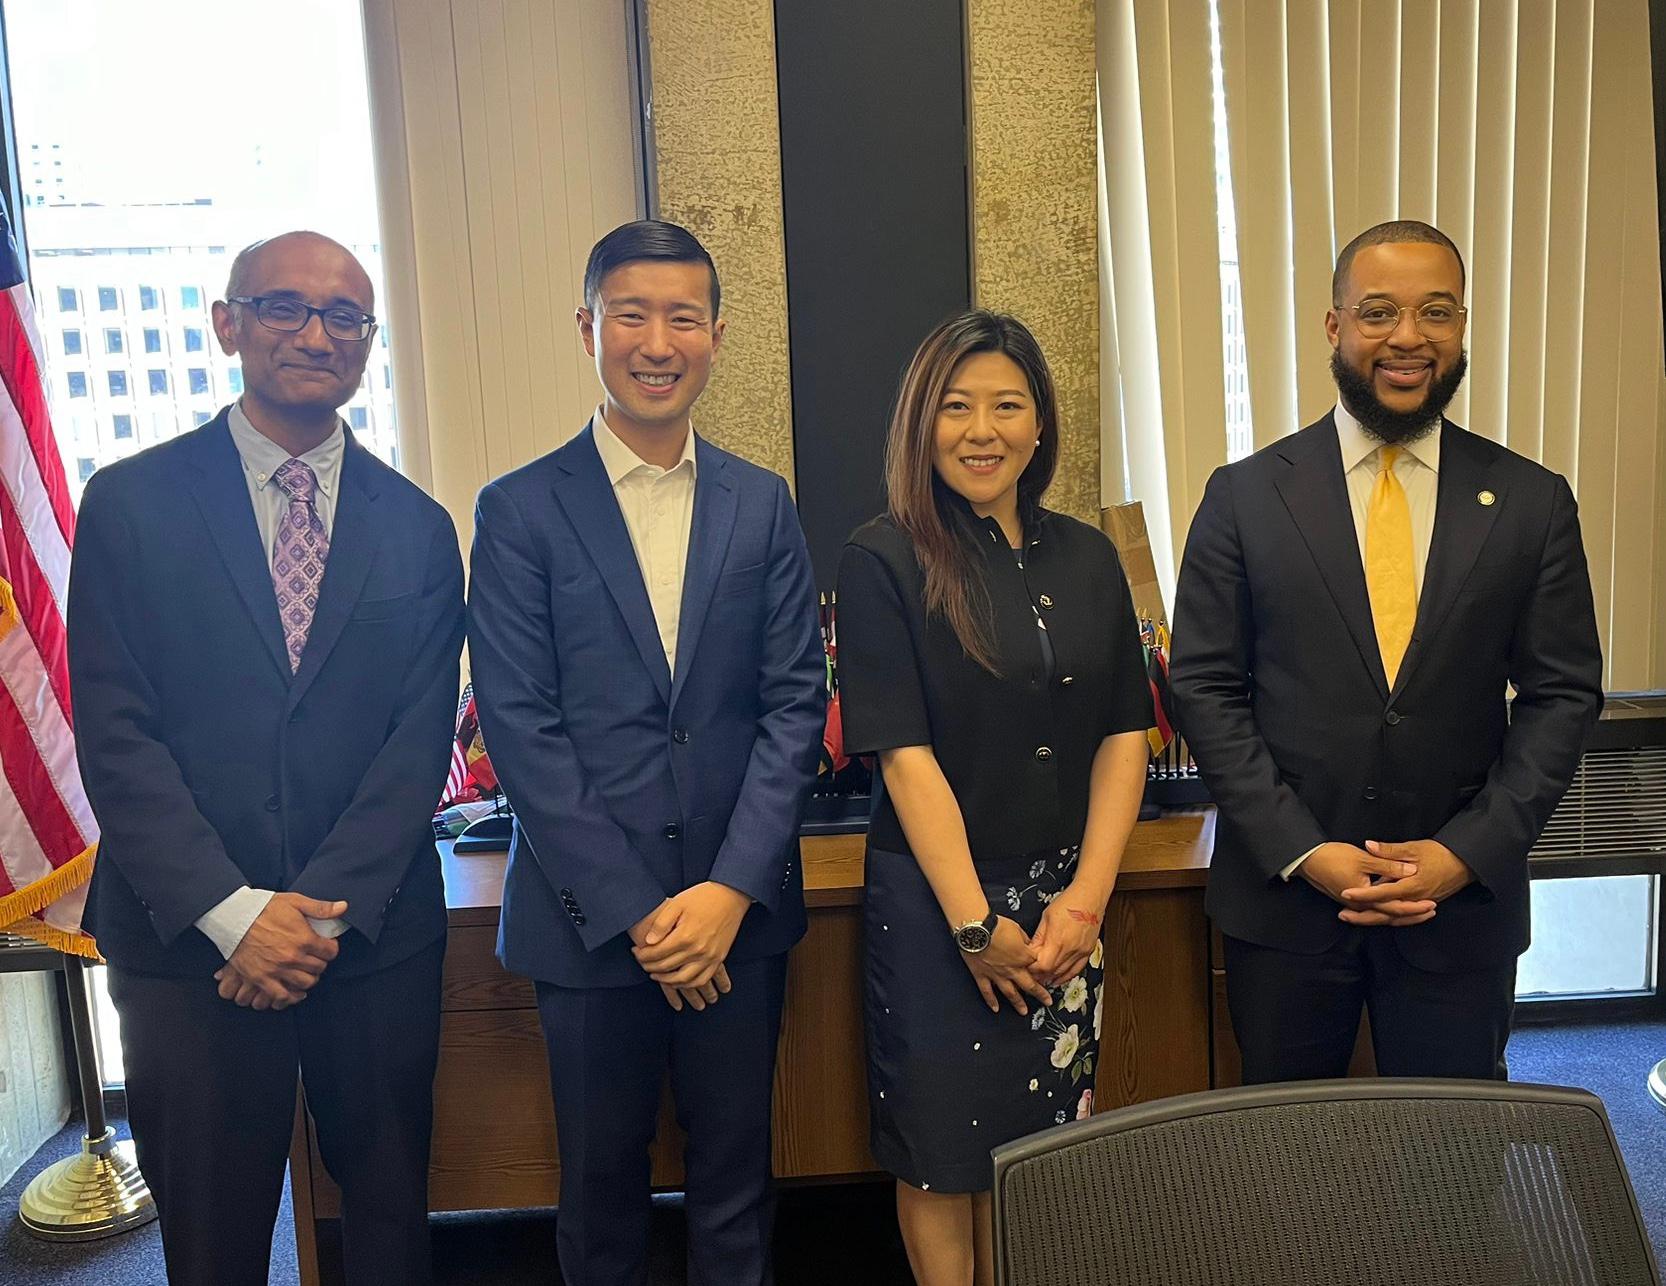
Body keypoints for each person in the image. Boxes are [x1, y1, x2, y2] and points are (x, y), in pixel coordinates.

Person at [66, 231, 466, 1285]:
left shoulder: (420, 530)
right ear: (227, 322)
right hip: (187, 944)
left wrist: (313, 913)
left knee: (387, 1225)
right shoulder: (130, 503)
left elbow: (416, 745)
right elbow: (114, 730)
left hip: (368, 945)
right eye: (284, 306)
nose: (314, 332)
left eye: (344, 317)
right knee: (212, 1237)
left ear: (367, 344)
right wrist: (235, 914)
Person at [467, 218, 826, 1285]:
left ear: (716, 334)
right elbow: (520, 724)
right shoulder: (520, 508)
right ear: (589, 328)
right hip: (588, 928)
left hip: (738, 922)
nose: (656, 340)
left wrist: (725, 893)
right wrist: (636, 907)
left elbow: (794, 705)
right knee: (599, 1192)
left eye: (682, 316)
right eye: (631, 314)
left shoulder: (761, 503)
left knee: (736, 1187)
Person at [1169, 220, 1603, 1084]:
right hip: (1287, 902)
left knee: (1450, 1169)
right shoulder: (1245, 496)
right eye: (1379, 313)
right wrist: (1305, 850)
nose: (1408, 338)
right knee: (1289, 1160)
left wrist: (1464, 854)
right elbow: (1206, 689)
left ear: (1463, 326)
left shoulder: (1530, 501)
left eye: (1435, 312)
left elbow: (1562, 697)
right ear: (1335, 328)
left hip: (1460, 907)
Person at [835, 310, 1152, 1285]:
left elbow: (1121, 736)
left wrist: (1086, 903)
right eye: (956, 406)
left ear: (1041, 423)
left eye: (1007, 405)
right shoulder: (884, 556)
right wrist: (977, 925)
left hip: (1065, 905)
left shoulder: (1088, 556)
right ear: (919, 424)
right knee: (942, 1155)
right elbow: (902, 756)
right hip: (938, 909)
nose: (983, 429)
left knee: (1045, 1144)